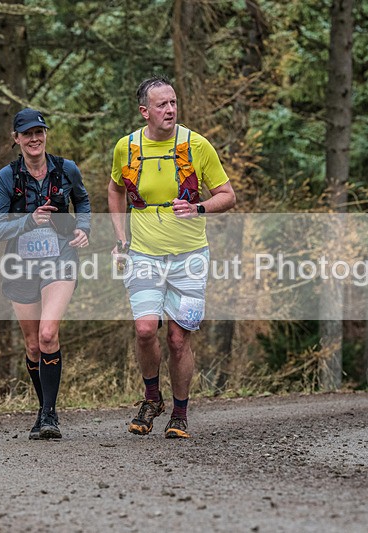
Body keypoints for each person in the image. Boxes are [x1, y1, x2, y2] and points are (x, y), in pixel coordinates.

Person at [107, 75, 236, 439]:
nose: (170, 109)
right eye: (162, 104)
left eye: (174, 102)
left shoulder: (197, 145)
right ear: (144, 111)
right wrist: (121, 236)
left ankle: (179, 413)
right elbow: (115, 188)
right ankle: (152, 398)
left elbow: (227, 195)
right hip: (144, 251)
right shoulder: (127, 147)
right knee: (145, 329)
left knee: (179, 339)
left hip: (189, 255)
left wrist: (200, 209)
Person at [0, 108, 91, 440]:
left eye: (40, 132)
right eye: (27, 134)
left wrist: (84, 228)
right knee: (33, 345)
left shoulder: (66, 169)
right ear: (16, 139)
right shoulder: (7, 177)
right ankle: (42, 408)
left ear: (46, 135)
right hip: (21, 265)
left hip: (60, 259)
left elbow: (83, 202)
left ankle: (49, 414)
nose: (35, 139)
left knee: (48, 334)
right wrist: (29, 221)